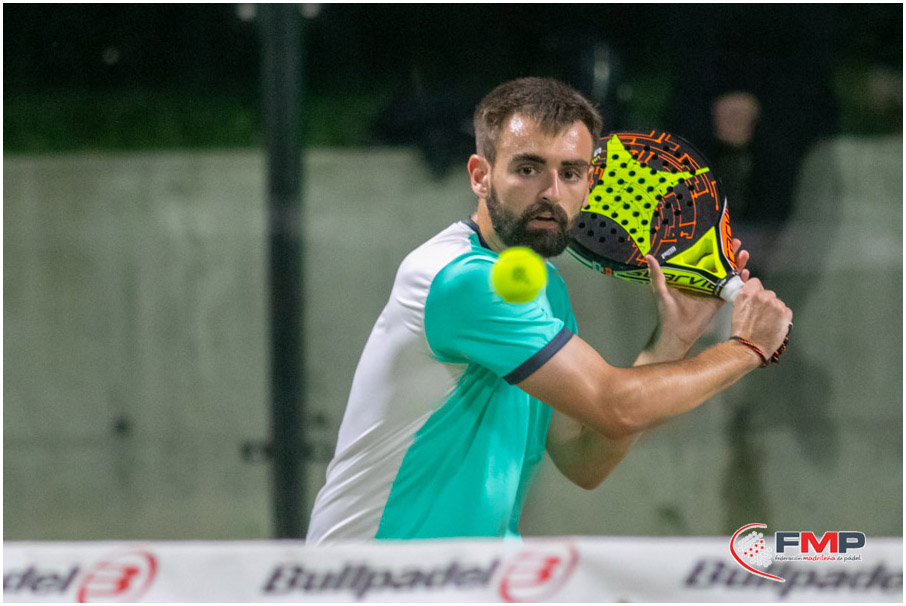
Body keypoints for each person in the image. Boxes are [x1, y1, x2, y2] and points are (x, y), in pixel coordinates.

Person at [306, 77, 791, 543]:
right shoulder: (461, 279)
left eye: (570, 173)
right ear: (480, 175)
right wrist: (746, 349)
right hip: (374, 577)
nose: (552, 192)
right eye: (528, 169)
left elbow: (584, 461)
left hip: (475, 575)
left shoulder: (546, 288)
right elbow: (615, 406)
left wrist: (672, 341)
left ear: (590, 183)